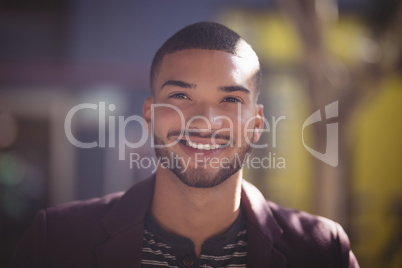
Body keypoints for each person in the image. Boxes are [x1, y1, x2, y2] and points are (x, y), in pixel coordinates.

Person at [10, 22, 359, 268]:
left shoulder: (323, 250)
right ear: (148, 115)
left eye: (231, 100)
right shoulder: (55, 241)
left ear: (257, 124)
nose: (205, 120)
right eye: (180, 96)